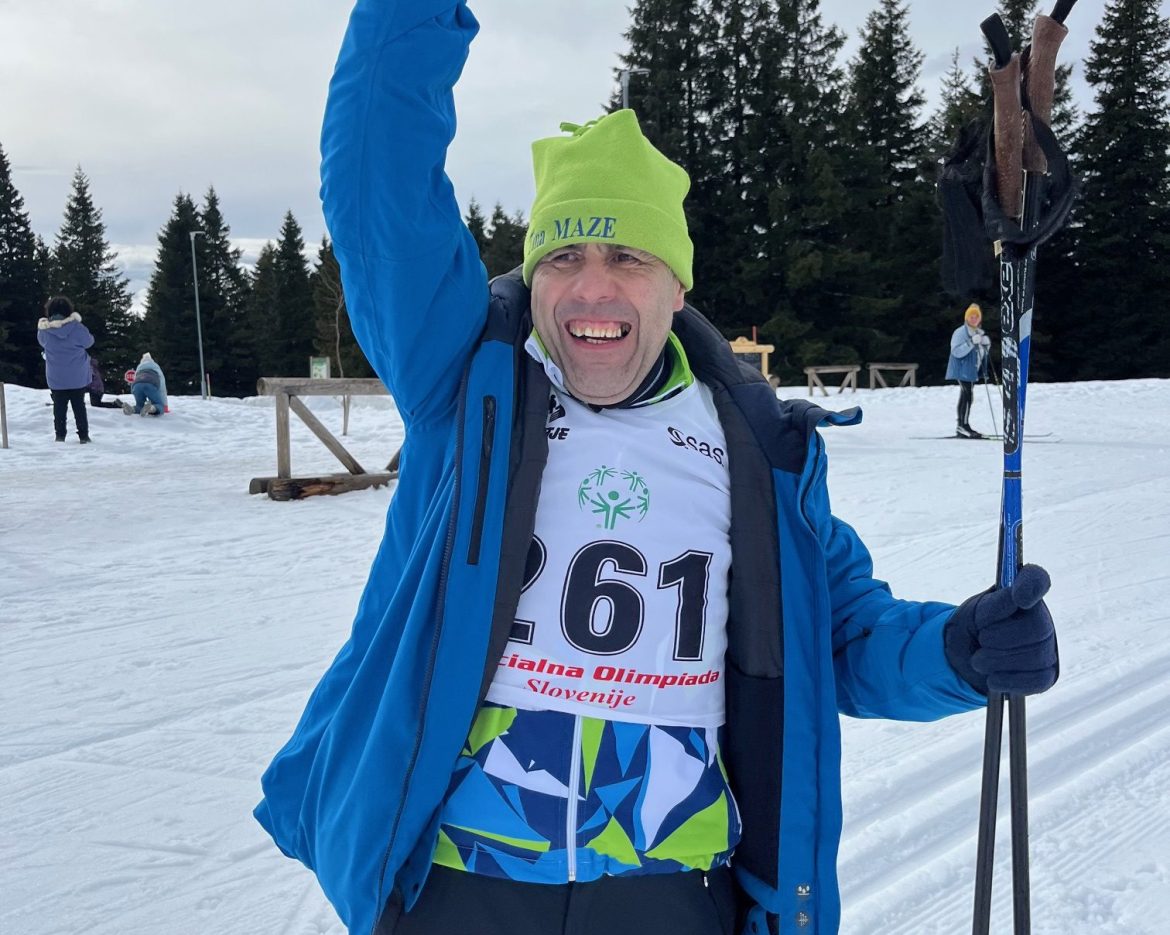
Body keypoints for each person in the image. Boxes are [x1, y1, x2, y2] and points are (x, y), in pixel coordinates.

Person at [255, 5, 1060, 934]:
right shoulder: (469, 391)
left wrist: (956, 652)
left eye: (627, 256)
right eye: (563, 255)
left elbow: (840, 638)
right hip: (462, 884)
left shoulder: (755, 450)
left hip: (669, 892)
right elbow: (380, 183)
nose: (592, 287)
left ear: (677, 285)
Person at [36, 296, 94, 443]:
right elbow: (89, 342)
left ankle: (60, 436)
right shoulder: (77, 328)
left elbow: (42, 343)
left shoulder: (44, 331)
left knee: (59, 408)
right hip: (77, 376)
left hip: (56, 377)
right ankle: (83, 436)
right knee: (79, 406)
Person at [946, 303, 992, 438]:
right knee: (967, 395)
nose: (974, 319)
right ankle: (963, 426)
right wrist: (971, 342)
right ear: (966, 318)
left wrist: (986, 345)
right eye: (971, 317)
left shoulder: (978, 332)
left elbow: (980, 353)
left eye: (976, 317)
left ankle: (963, 425)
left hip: (971, 370)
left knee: (966, 395)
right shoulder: (960, 332)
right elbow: (956, 351)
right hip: (962, 369)